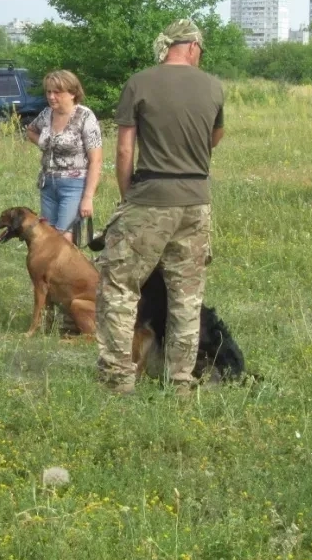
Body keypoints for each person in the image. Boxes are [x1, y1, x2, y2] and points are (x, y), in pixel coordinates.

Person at [95, 19, 225, 395]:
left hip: (149, 198)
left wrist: (126, 196)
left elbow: (124, 149)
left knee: (120, 288)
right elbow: (214, 138)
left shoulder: (139, 82)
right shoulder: (214, 86)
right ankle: (180, 383)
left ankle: (118, 380)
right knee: (187, 296)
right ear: (193, 46)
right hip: (196, 203)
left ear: (168, 46)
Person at [26, 70, 103, 245]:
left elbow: (96, 160)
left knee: (65, 238)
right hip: (48, 183)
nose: (52, 97)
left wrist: (88, 198)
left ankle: (70, 272)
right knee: (48, 235)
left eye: (57, 92)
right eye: (49, 92)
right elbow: (30, 130)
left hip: (74, 185)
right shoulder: (46, 114)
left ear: (73, 93)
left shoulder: (85, 116)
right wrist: (42, 143)